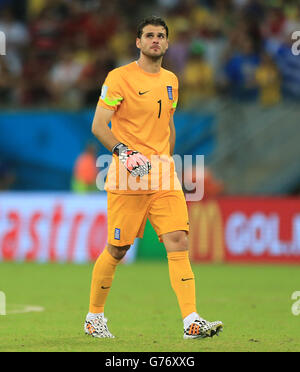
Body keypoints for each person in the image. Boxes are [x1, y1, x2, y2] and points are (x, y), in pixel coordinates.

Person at [84, 16, 223, 340]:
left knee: (179, 241)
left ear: (168, 42)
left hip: (162, 176)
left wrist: (167, 160)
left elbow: (168, 124)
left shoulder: (172, 80)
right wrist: (124, 152)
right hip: (126, 176)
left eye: (161, 36)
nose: (155, 40)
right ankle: (94, 317)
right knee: (117, 249)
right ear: (138, 42)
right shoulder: (119, 78)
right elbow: (98, 125)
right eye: (149, 35)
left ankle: (191, 320)